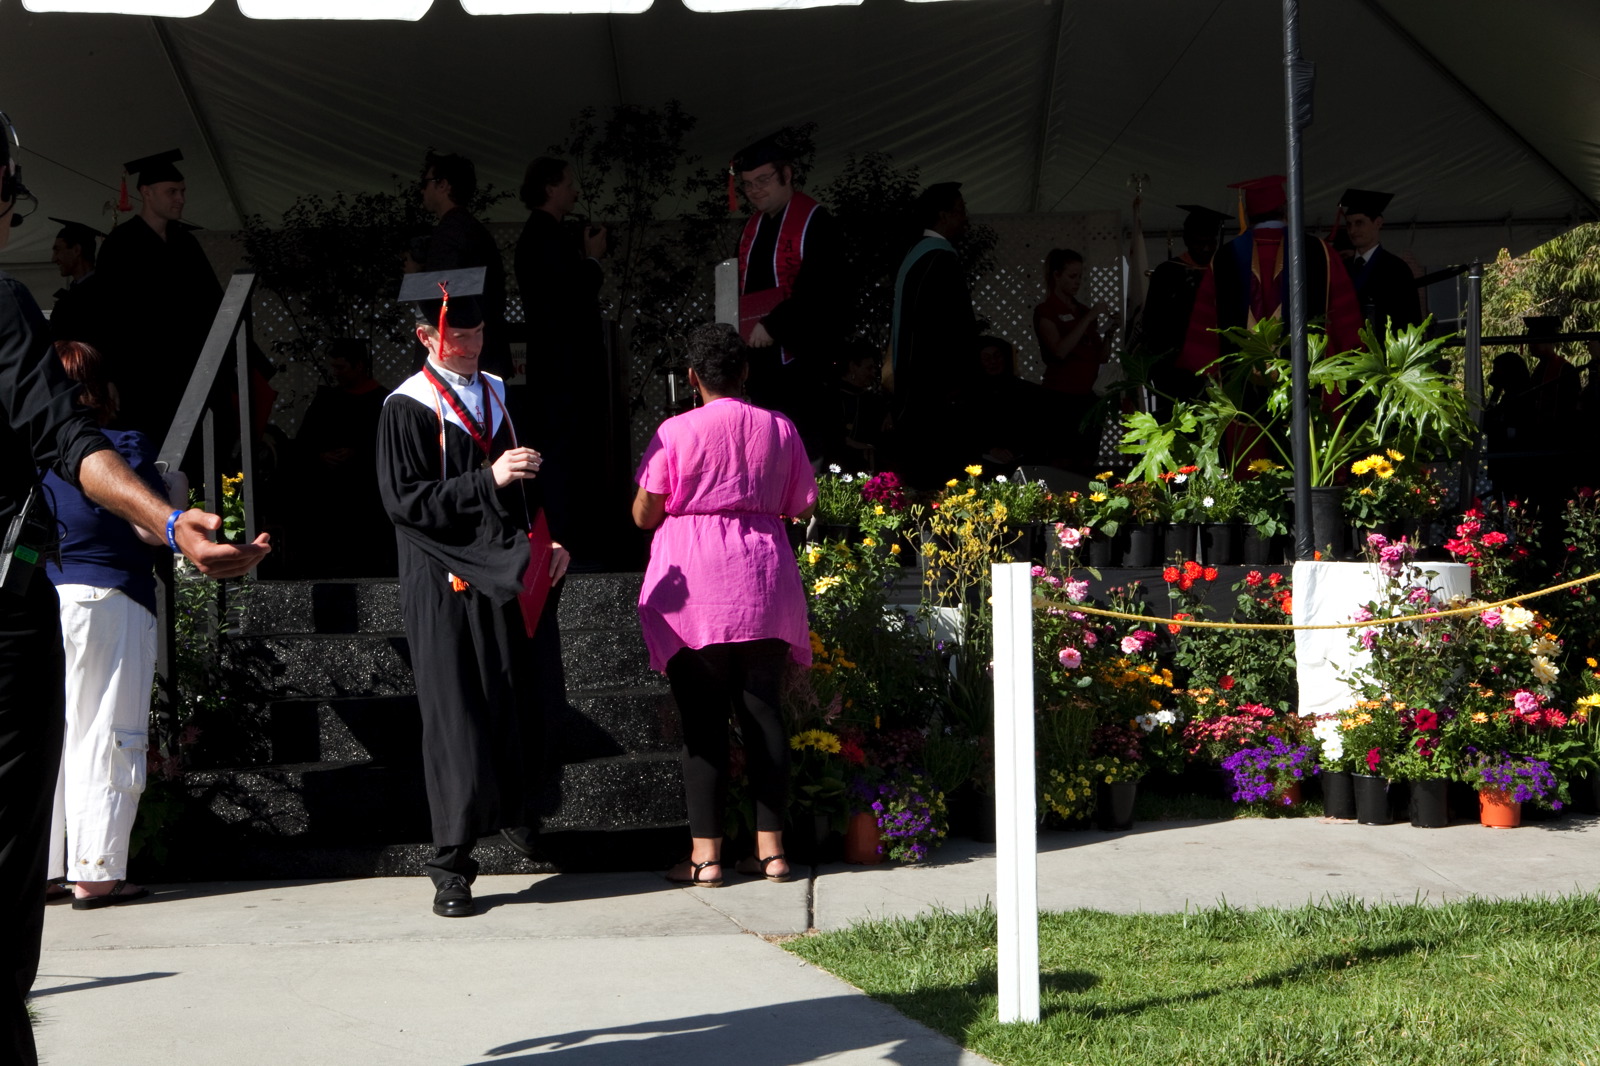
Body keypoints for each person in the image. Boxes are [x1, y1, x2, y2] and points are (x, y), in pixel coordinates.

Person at [0, 122, 269, 1066]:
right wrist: (168, 519)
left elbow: (68, 437)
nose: (11, 221)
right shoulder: (24, 299)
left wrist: (165, 519)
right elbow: (68, 438)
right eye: (9, 200)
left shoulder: (165, 260)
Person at [377, 267, 570, 918]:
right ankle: (451, 868)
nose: (471, 344)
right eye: (457, 336)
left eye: (479, 332)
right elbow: (404, 503)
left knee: (516, 697)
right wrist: (488, 479)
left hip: (505, 568)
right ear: (425, 337)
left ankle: (519, 815)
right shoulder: (407, 406)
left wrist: (547, 542)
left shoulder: (496, 393)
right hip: (442, 577)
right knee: (456, 716)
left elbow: (526, 483)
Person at [632, 323, 817, 888]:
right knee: (763, 714)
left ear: (692, 378)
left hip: (694, 586)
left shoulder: (674, 430)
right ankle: (772, 853)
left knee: (702, 722)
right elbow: (802, 503)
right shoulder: (780, 428)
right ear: (745, 372)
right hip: (762, 578)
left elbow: (644, 514)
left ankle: (705, 859)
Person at [42, 341, 182, 909]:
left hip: (47, 598)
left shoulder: (33, 454)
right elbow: (150, 529)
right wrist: (175, 493)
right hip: (112, 595)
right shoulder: (121, 446)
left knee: (50, 735)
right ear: (100, 390)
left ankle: (43, 869)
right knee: (108, 731)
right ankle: (96, 875)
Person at [513, 156, 615, 569]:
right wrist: (592, 260)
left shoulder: (539, 235)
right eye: (569, 183)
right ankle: (569, 541)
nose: (575, 191)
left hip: (555, 367)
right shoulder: (546, 236)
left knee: (562, 453)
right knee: (565, 454)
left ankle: (567, 537)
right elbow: (571, 296)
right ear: (551, 187)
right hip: (564, 370)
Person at [94, 149, 225, 441]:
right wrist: (108, 374)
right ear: (147, 192)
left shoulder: (186, 243)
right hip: (139, 375)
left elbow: (213, 303)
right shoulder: (121, 244)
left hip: (188, 372)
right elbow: (105, 313)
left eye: (182, 191)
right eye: (172, 191)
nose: (181, 199)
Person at [732, 131, 843, 460]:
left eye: (763, 180)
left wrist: (774, 325)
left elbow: (823, 290)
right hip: (760, 364)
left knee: (803, 452)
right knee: (767, 454)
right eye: (747, 184)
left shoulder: (816, 222)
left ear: (787, 174)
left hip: (802, 363)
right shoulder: (751, 230)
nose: (754, 190)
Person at [1179, 175, 1362, 374]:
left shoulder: (1224, 258)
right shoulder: (1319, 251)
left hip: (1242, 380)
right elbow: (1345, 320)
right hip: (1309, 378)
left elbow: (1204, 331)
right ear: (1285, 209)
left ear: (1247, 214)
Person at [888, 181, 981, 487]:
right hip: (937, 391)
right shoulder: (940, 259)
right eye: (960, 210)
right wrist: (959, 381)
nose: (965, 218)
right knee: (942, 479)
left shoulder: (915, 256)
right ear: (943, 215)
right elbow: (952, 328)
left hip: (914, 385)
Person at [294, 339, 392, 577]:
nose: (335, 373)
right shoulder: (327, 400)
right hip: (329, 493)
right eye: (333, 367)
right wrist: (320, 456)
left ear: (359, 366)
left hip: (367, 493)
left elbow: (391, 447)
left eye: (341, 367)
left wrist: (360, 453)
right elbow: (302, 442)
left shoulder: (384, 401)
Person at [420, 149, 510, 379]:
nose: (422, 189)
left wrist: (417, 279)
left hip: (464, 357)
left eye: (426, 182)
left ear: (443, 185)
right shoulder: (472, 229)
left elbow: (446, 291)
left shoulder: (450, 231)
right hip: (484, 349)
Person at [1033, 248, 1115, 473]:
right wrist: (1088, 318)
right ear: (1056, 275)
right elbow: (1059, 351)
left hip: (1088, 395)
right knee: (1062, 458)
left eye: (1080, 276)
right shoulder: (1046, 311)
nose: (1077, 282)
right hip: (1061, 395)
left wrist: (1109, 334)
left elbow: (1101, 357)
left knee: (1087, 458)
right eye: (1072, 276)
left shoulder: (1082, 310)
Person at [1140, 204, 1228, 408]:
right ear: (1187, 240)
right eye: (1199, 242)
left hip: (1218, 369)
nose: (1206, 249)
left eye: (1211, 242)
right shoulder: (1168, 273)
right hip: (1176, 371)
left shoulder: (1223, 271)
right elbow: (1153, 323)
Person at [1338, 188, 1423, 333]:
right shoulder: (1342, 268)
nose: (1352, 231)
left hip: (1386, 345)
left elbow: (1411, 321)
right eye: (1349, 224)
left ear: (1378, 223)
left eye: (1359, 223)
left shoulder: (1396, 269)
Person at [47, 217, 109, 351]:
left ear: (76, 250)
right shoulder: (76, 291)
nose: (53, 258)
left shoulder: (101, 294)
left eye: (57, 250)